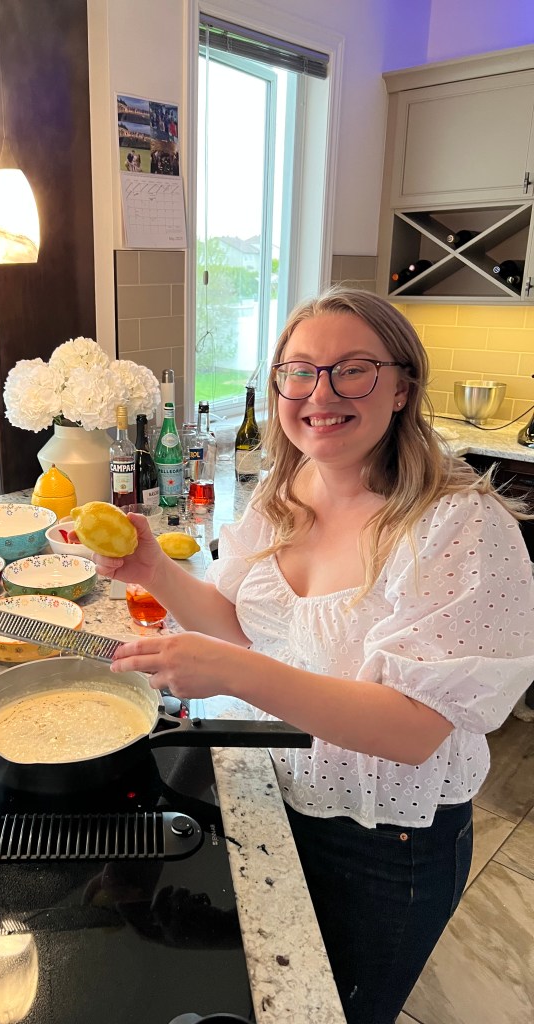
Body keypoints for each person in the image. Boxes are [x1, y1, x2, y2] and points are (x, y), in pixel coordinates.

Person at [96, 287, 534, 1024]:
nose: (320, 394)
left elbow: (413, 730)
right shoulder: (288, 487)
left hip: (383, 840)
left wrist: (232, 674)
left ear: (403, 387)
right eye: (298, 371)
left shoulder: (460, 526)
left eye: (353, 370)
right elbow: (244, 626)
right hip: (272, 792)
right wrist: (155, 572)